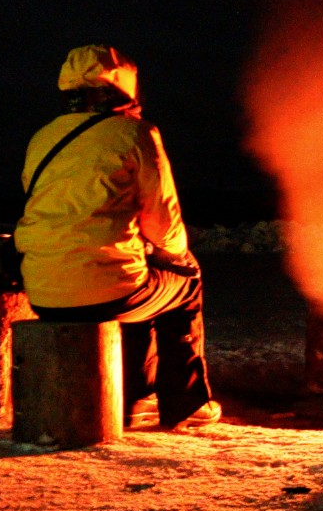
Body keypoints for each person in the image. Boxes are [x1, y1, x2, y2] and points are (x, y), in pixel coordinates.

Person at [15, 45, 220, 430]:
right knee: (184, 282)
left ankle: (135, 397)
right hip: (105, 291)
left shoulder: (42, 137)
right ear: (125, 89)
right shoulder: (134, 133)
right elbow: (164, 218)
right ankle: (187, 402)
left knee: (134, 274)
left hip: (43, 291)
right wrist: (176, 255)